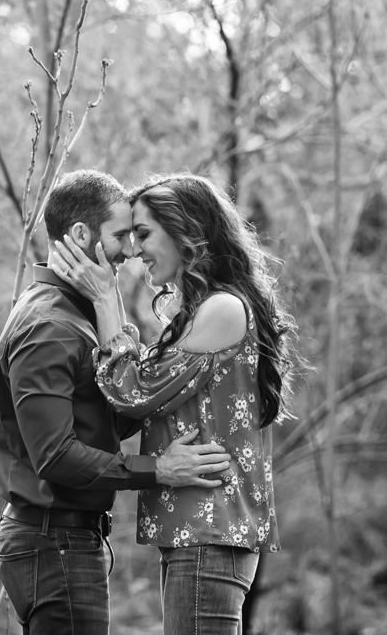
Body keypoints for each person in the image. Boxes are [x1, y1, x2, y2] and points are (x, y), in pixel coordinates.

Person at [48, 173, 304, 635]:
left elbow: (134, 391)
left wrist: (107, 301)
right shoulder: (197, 311)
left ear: (187, 230)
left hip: (211, 529)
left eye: (143, 234)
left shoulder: (223, 309)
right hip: (195, 532)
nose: (133, 251)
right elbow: (143, 387)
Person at [0, 169, 235, 634]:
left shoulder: (74, 318)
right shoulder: (50, 327)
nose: (131, 251)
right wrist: (159, 470)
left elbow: (118, 416)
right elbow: (55, 456)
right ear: (81, 234)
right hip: (51, 538)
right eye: (121, 235)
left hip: (67, 537)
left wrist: (113, 323)